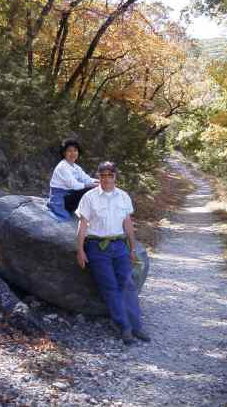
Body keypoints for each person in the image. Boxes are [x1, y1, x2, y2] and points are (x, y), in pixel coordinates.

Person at [75, 161, 150, 345]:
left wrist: (132, 248)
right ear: (98, 176)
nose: (106, 178)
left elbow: (128, 224)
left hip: (119, 246)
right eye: (103, 175)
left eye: (110, 175)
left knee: (127, 284)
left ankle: (137, 327)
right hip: (97, 247)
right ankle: (124, 327)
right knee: (109, 287)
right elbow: (82, 224)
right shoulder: (89, 197)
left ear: (115, 176)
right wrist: (80, 250)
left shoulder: (123, 197)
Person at [48, 138, 98, 221]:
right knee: (90, 190)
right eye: (69, 151)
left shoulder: (75, 166)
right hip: (61, 198)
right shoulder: (62, 167)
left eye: (75, 150)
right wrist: (91, 185)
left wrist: (100, 181)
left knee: (98, 188)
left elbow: (86, 179)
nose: (73, 153)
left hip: (69, 196)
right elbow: (74, 185)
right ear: (64, 153)